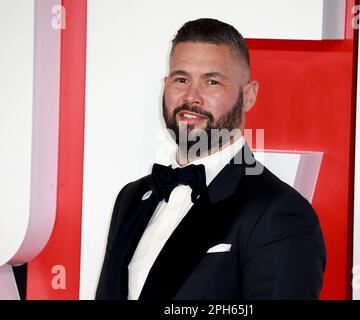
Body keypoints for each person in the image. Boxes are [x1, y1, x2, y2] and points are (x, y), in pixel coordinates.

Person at [96, 18, 326, 300]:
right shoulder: (132, 198)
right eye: (181, 79)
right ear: (165, 85)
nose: (191, 96)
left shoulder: (279, 211)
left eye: (212, 81)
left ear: (249, 95)